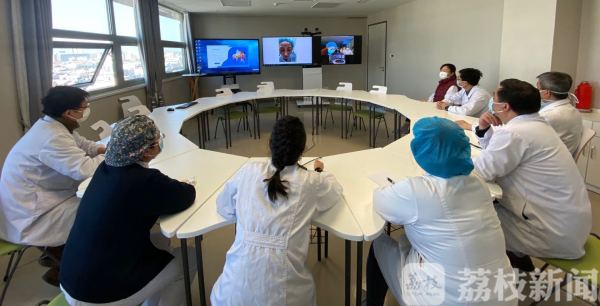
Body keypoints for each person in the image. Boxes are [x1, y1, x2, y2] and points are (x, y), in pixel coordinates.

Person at [367, 117, 515, 306]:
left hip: (444, 300)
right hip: (503, 296)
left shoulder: (417, 190)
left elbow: (380, 201)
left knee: (379, 243)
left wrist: (401, 190)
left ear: (421, 151)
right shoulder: (478, 182)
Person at [60, 115, 196, 306]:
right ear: (145, 151)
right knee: (189, 259)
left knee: (160, 241)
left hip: (72, 279)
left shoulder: (105, 169)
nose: (160, 143)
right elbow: (186, 195)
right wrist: (178, 186)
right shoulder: (144, 180)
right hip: (98, 294)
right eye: (157, 141)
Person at [210, 116, 343, 306]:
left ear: (270, 143)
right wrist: (320, 171)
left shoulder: (248, 171)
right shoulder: (310, 181)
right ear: (302, 150)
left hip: (231, 295)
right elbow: (334, 192)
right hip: (285, 297)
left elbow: (223, 206)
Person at [473, 79, 591, 269]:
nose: (491, 102)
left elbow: (483, 171)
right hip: (571, 226)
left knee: (472, 220)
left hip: (552, 233)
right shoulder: (537, 125)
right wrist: (483, 129)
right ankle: (519, 260)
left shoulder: (514, 133)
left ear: (504, 106)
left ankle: (503, 272)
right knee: (492, 207)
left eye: (494, 98)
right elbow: (497, 158)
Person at [0, 86, 105, 285]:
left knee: (95, 204)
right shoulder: (52, 137)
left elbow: (84, 145)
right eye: (84, 107)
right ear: (69, 112)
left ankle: (59, 256)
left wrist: (105, 149)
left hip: (40, 199)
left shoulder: (54, 125)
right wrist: (116, 156)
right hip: (31, 214)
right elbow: (84, 170)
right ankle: (66, 267)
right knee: (98, 211)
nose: (86, 110)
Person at [536, 71, 583, 157]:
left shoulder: (547, 116)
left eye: (537, 89)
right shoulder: (574, 111)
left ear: (547, 93)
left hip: (547, 160)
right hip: (561, 157)